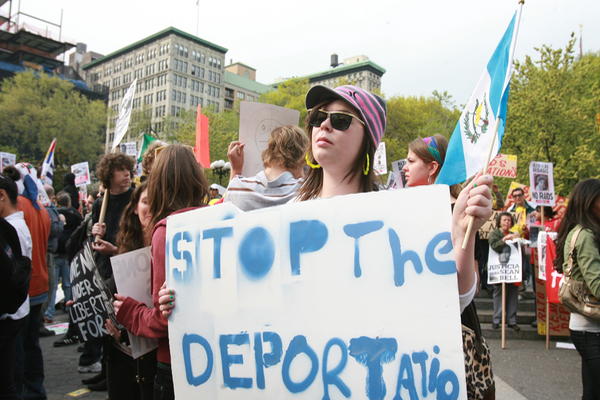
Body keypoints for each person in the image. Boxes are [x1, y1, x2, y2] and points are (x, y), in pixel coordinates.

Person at [114, 144, 210, 400]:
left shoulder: (167, 231)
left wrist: (129, 312)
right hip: (212, 359)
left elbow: (165, 319)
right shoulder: (216, 220)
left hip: (176, 362)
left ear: (158, 183)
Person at [102, 181, 156, 400]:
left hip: (151, 351)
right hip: (123, 353)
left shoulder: (170, 242)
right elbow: (114, 287)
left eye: (156, 202)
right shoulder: (127, 242)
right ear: (135, 207)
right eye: (145, 202)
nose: (150, 208)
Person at [3, 163, 51, 400]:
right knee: (31, 348)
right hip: (38, 285)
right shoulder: (40, 208)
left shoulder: (16, 219)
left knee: (19, 356)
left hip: (24, 294)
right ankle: (36, 390)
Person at [555, 178, 600, 400]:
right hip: (591, 329)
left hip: (585, 326)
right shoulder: (587, 236)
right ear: (590, 202)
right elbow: (598, 286)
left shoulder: (576, 232)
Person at [224, 125, 309, 211]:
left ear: (269, 151)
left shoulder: (237, 186)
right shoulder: (306, 190)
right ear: (302, 156)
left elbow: (225, 218)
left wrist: (235, 170)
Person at [0, 173, 32, 400]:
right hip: (16, 308)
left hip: (12, 312)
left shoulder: (13, 229)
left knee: (11, 378)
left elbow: (15, 273)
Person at [488, 212, 521, 331]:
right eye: (504, 220)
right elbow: (494, 245)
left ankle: (512, 320)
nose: (507, 222)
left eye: (509, 220)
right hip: (498, 269)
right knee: (498, 293)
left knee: (513, 294)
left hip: (512, 270)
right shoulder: (494, 234)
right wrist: (505, 239)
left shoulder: (514, 235)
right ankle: (496, 319)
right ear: (499, 222)